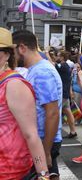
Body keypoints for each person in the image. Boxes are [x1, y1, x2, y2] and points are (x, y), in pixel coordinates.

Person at [13, 30, 63, 179]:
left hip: (43, 141)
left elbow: (52, 113)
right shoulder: (36, 69)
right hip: (41, 140)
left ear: (22, 48)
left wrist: (45, 152)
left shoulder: (42, 72)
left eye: (12, 51)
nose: (12, 56)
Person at [0, 28, 50, 180]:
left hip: (10, 170)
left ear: (7, 54)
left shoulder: (14, 84)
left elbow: (31, 135)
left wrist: (43, 175)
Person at [46, 50, 77, 138]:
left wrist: (47, 54)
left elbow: (52, 65)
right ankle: (73, 131)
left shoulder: (63, 66)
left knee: (56, 113)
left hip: (62, 93)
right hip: (65, 92)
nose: (56, 57)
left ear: (62, 57)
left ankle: (55, 134)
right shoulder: (65, 66)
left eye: (58, 56)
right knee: (68, 111)